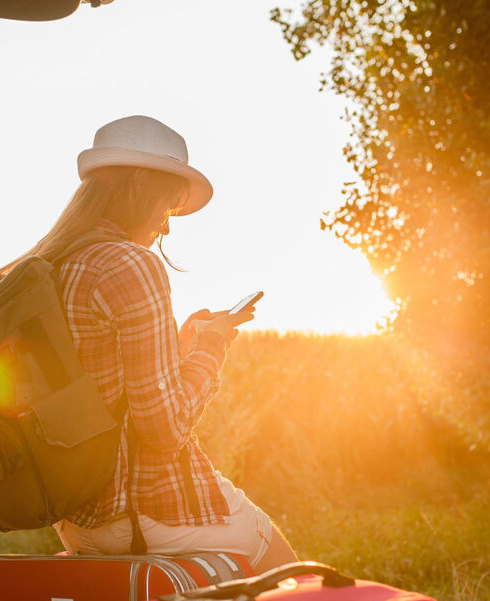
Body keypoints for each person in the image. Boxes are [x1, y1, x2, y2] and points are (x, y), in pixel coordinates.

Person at [27, 115, 296, 573]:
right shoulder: (133, 264)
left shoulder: (50, 264)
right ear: (138, 187)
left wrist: (179, 342)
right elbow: (163, 430)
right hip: (143, 512)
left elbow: (98, 375)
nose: (167, 228)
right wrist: (211, 347)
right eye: (168, 208)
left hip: (74, 519)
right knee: (287, 569)